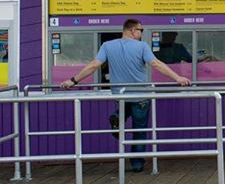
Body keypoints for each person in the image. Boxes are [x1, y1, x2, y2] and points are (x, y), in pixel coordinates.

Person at [60, 19, 191, 172]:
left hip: (120, 95)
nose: (142, 33)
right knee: (139, 130)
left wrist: (73, 80)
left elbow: (94, 65)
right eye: (140, 30)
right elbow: (156, 64)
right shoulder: (142, 46)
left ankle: (117, 116)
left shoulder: (107, 45)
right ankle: (137, 164)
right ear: (132, 30)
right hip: (141, 95)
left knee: (124, 111)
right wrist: (178, 78)